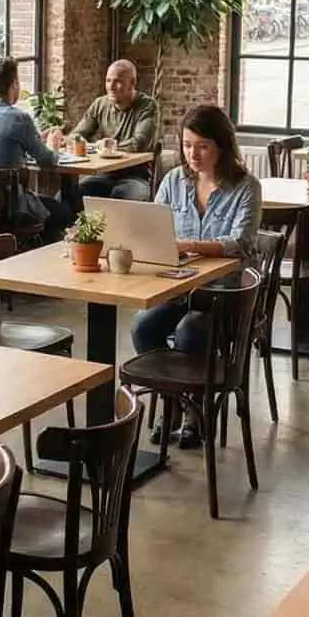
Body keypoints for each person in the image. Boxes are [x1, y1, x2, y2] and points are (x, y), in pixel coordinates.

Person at [129, 105, 263, 449]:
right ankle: (172, 401)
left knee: (191, 328)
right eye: (187, 145)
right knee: (143, 325)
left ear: (222, 146)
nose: (193, 154)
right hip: (179, 287)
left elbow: (241, 243)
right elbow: (152, 227)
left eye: (202, 146)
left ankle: (195, 412)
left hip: (226, 294)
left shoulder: (246, 186)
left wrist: (187, 244)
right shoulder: (174, 180)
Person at [0, 57, 74, 244]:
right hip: (11, 207)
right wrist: (52, 145)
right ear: (14, 84)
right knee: (65, 213)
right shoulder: (18, 118)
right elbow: (47, 160)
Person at [50, 59, 159, 202]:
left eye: (118, 81)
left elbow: (139, 143)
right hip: (102, 175)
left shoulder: (147, 106)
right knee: (63, 199)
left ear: (132, 83)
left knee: (119, 203)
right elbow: (78, 134)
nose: (111, 87)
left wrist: (104, 147)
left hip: (134, 177)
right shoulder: (100, 104)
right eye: (108, 81)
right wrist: (64, 139)